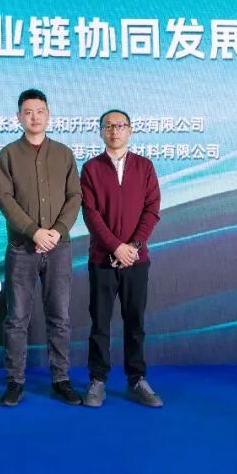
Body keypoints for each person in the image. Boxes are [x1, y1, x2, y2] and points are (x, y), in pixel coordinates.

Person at [0, 89, 83, 407]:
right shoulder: (7, 154)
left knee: (59, 317)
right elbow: (5, 199)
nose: (34, 117)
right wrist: (34, 232)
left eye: (40, 111)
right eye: (28, 112)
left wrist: (56, 232)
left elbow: (75, 196)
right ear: (18, 117)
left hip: (59, 248)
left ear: (48, 115)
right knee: (17, 318)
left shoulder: (63, 153)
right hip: (22, 248)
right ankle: (15, 381)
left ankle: (61, 378)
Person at [81, 110, 163, 408]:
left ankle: (137, 379)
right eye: (109, 127)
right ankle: (97, 379)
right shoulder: (91, 168)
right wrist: (116, 247)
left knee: (135, 322)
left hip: (136, 261)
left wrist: (133, 246)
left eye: (120, 126)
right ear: (101, 132)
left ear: (130, 131)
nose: (114, 131)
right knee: (99, 323)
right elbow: (91, 214)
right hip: (102, 260)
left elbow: (151, 210)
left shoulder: (144, 166)